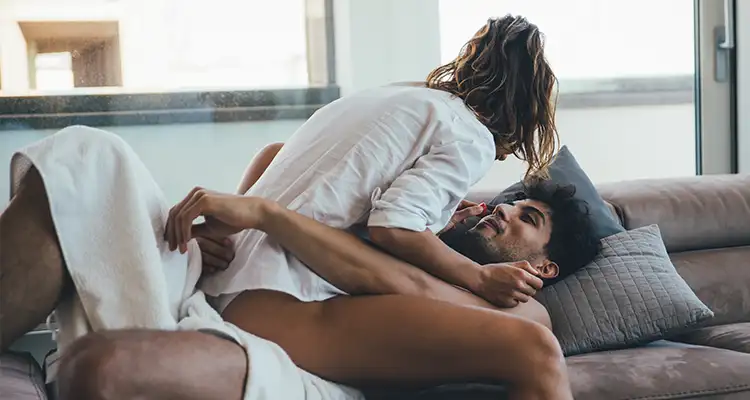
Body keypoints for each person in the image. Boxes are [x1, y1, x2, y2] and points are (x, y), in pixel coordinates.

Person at [0, 141, 598, 400]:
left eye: (526, 216)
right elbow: (279, 159)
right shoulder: (413, 229)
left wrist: (265, 215)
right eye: (501, 203)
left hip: (290, 359)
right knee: (86, 166)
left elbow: (401, 288)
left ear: (543, 263)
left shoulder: (524, 308)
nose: (499, 212)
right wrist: (224, 235)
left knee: (102, 370)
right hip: (205, 290)